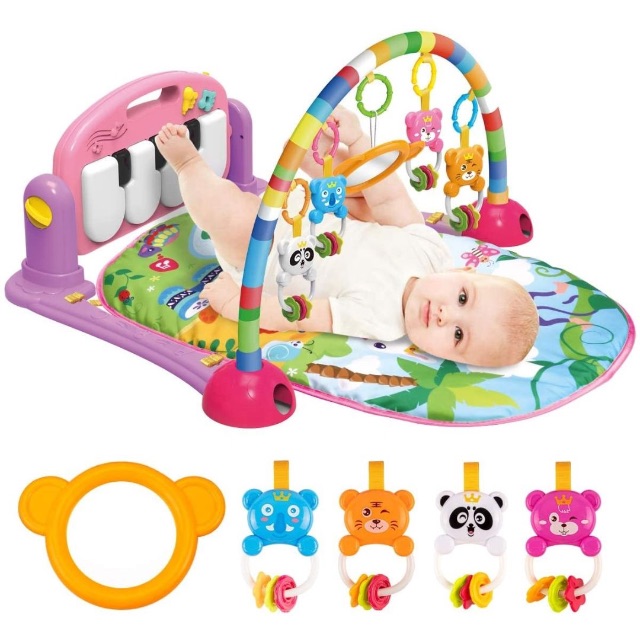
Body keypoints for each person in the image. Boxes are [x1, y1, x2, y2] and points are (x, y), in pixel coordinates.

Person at [155, 107, 539, 367]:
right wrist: (358, 144)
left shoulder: (382, 320)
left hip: (266, 255)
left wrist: (236, 305)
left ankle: (188, 164)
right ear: (464, 274)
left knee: (231, 215)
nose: (444, 314)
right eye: (462, 298)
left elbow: (301, 316)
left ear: (449, 358)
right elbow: (389, 198)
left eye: (457, 335)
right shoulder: (432, 253)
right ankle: (321, 155)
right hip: (317, 212)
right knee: (369, 202)